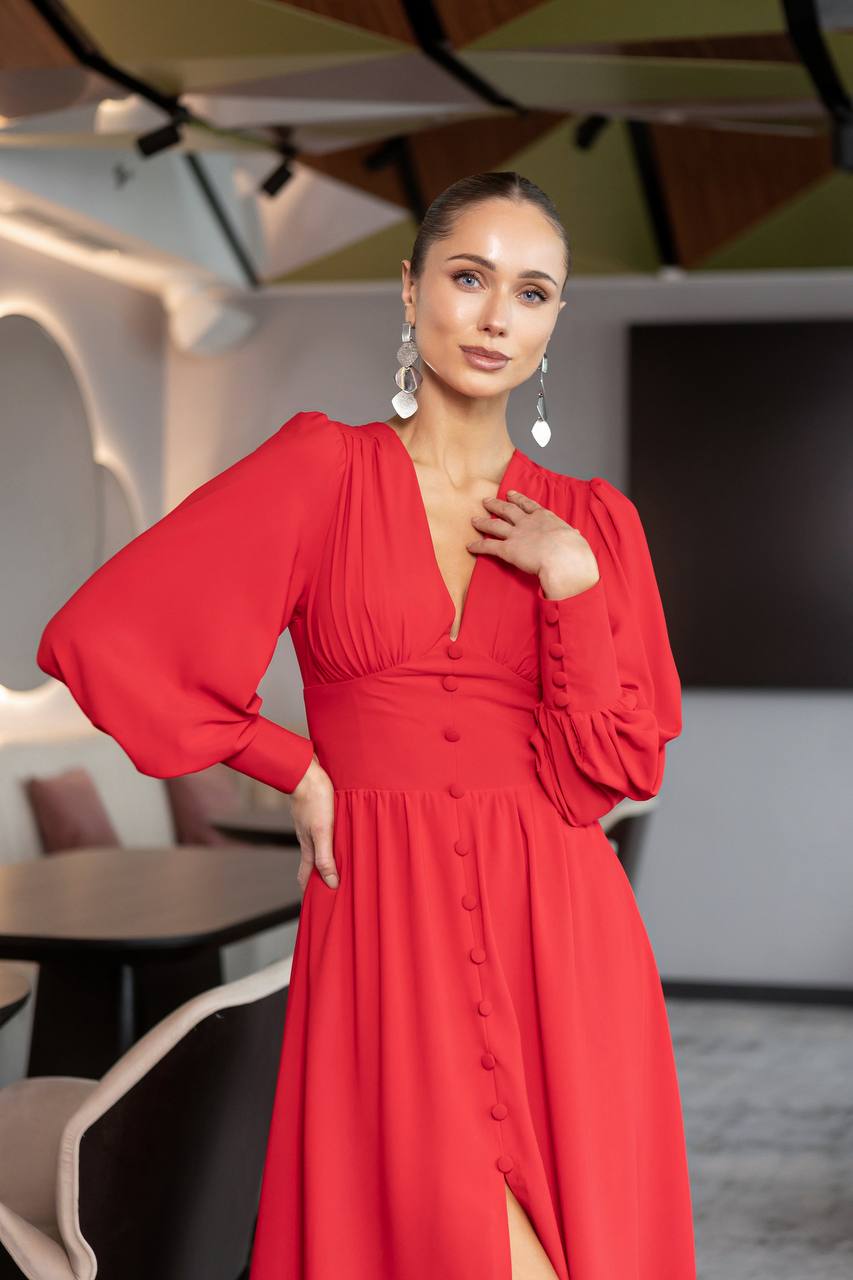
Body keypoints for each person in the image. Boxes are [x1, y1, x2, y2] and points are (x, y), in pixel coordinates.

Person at [36, 171, 696, 1279]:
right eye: (469, 276)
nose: (496, 315)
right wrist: (288, 762)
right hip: (384, 918)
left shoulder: (593, 524)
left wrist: (574, 586)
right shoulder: (319, 473)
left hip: (561, 932)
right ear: (410, 288)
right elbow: (103, 634)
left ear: (553, 320)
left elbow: (613, 773)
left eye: (531, 292)